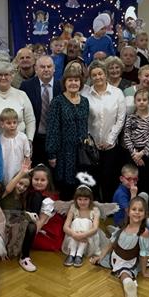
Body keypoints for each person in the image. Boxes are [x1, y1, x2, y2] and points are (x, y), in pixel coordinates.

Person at [90, 197, 149, 297]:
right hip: (115, 256)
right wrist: (100, 257)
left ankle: (127, 283)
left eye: (140, 210)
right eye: (134, 209)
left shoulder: (144, 233)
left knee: (124, 271)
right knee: (99, 260)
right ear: (128, 211)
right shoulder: (123, 226)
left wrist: (144, 272)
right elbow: (111, 244)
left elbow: (144, 255)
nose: (137, 212)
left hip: (129, 261)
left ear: (145, 214)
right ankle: (127, 281)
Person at [81, 60, 127, 201]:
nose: (98, 77)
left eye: (100, 74)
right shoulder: (85, 94)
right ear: (90, 77)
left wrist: (110, 140)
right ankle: (94, 206)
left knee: (109, 179)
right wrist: (90, 141)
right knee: (92, 180)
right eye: (94, 75)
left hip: (110, 146)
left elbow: (120, 119)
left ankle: (109, 207)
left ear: (105, 74)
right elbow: (83, 119)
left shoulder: (117, 93)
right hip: (91, 147)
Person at [46, 63, 90, 198]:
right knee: (66, 187)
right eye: (70, 80)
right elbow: (52, 129)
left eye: (76, 80)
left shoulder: (85, 101)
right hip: (63, 152)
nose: (73, 83)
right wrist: (52, 154)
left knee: (81, 185)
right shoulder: (57, 102)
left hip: (81, 152)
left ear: (80, 83)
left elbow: (85, 126)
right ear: (64, 83)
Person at [123, 89, 149, 208]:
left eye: (144, 100)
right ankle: (133, 204)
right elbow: (127, 136)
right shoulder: (130, 118)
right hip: (132, 153)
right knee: (134, 179)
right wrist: (134, 154)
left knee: (148, 179)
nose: (141, 102)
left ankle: (148, 205)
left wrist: (142, 154)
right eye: (139, 100)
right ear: (135, 102)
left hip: (147, 153)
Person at [19, 165, 64, 271]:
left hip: (42, 227)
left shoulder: (48, 200)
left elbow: (40, 222)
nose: (39, 182)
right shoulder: (28, 190)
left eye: (42, 180)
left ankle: (24, 256)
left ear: (48, 181)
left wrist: (27, 236)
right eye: (36, 179)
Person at [20, 55, 60, 166]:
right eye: (42, 67)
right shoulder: (26, 86)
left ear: (54, 68)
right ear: (36, 69)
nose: (46, 69)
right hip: (35, 138)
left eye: (49, 66)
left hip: (56, 140)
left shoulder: (61, 86)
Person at [0, 60, 36, 140]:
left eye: (6, 74)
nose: (3, 77)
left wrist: (29, 139)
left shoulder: (22, 95)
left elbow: (30, 120)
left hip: (20, 142)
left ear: (12, 76)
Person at [62, 185, 107, 267]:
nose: (82, 202)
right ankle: (72, 253)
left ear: (90, 199)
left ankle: (79, 254)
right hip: (74, 237)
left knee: (87, 221)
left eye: (85, 199)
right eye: (80, 199)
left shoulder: (95, 210)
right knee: (76, 221)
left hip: (89, 237)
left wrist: (83, 235)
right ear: (76, 199)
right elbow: (65, 227)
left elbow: (95, 228)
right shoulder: (73, 208)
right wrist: (74, 234)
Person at [1, 168, 32, 259]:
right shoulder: (6, 192)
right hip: (5, 218)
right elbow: (8, 189)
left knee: (22, 224)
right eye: (20, 183)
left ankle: (13, 250)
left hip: (16, 220)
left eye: (25, 186)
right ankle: (4, 250)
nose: (22, 188)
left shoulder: (22, 198)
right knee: (11, 226)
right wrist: (21, 174)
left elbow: (21, 213)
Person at [0, 108, 32, 187]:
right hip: (5, 171)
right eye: (9, 123)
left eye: (14, 122)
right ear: (2, 124)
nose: (12, 125)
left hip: (19, 172)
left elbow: (27, 156)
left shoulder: (23, 137)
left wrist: (26, 173)